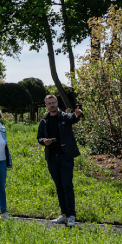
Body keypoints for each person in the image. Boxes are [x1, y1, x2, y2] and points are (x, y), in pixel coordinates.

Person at [37, 94, 83, 227]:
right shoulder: (44, 121)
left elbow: (72, 118)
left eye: (54, 102)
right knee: (59, 186)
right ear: (46, 105)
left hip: (65, 157)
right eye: (49, 103)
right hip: (52, 158)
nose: (52, 105)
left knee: (67, 185)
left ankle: (71, 215)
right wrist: (44, 141)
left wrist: (77, 115)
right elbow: (39, 137)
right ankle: (64, 214)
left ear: (57, 103)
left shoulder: (64, 117)